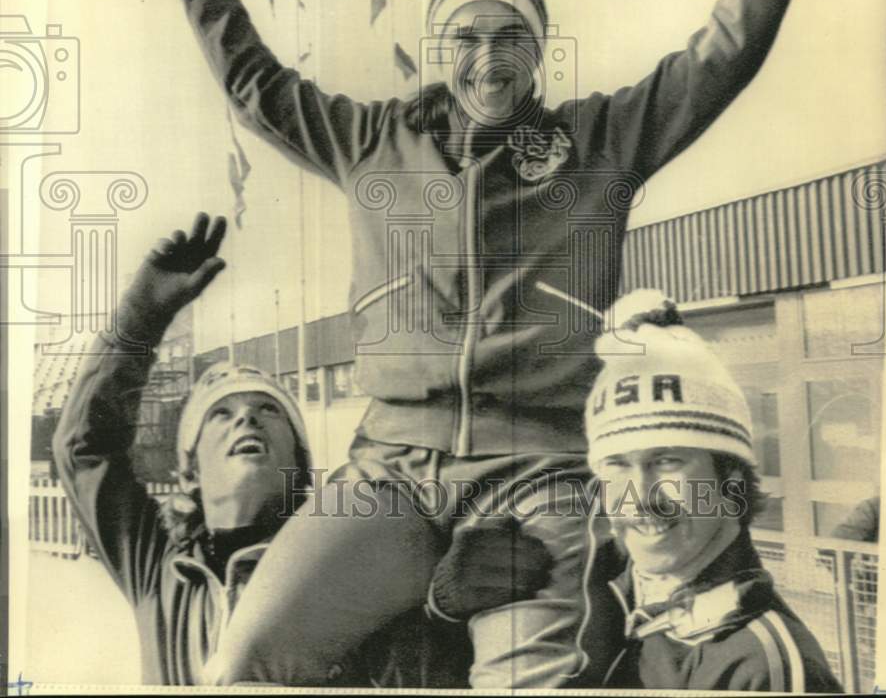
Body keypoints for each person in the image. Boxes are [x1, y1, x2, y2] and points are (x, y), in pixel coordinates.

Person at [155, 0, 851, 687]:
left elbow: (726, 50)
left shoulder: (599, 141)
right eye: (468, 40)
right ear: (440, 50)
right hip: (388, 474)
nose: (490, 61)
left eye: (512, 38)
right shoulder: (372, 141)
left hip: (541, 480)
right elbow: (253, 84)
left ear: (540, 52)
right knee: (243, 660)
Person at [53, 213, 548, 686]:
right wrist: (141, 317)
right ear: (190, 471)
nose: (245, 419)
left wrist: (442, 612)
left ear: (299, 461)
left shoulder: (346, 565)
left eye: (269, 412)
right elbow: (83, 448)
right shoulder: (156, 571)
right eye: (220, 414)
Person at [571, 290, 844, 692]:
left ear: (730, 483)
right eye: (617, 464)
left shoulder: (763, 667)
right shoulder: (593, 592)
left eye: (667, 461)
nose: (639, 495)